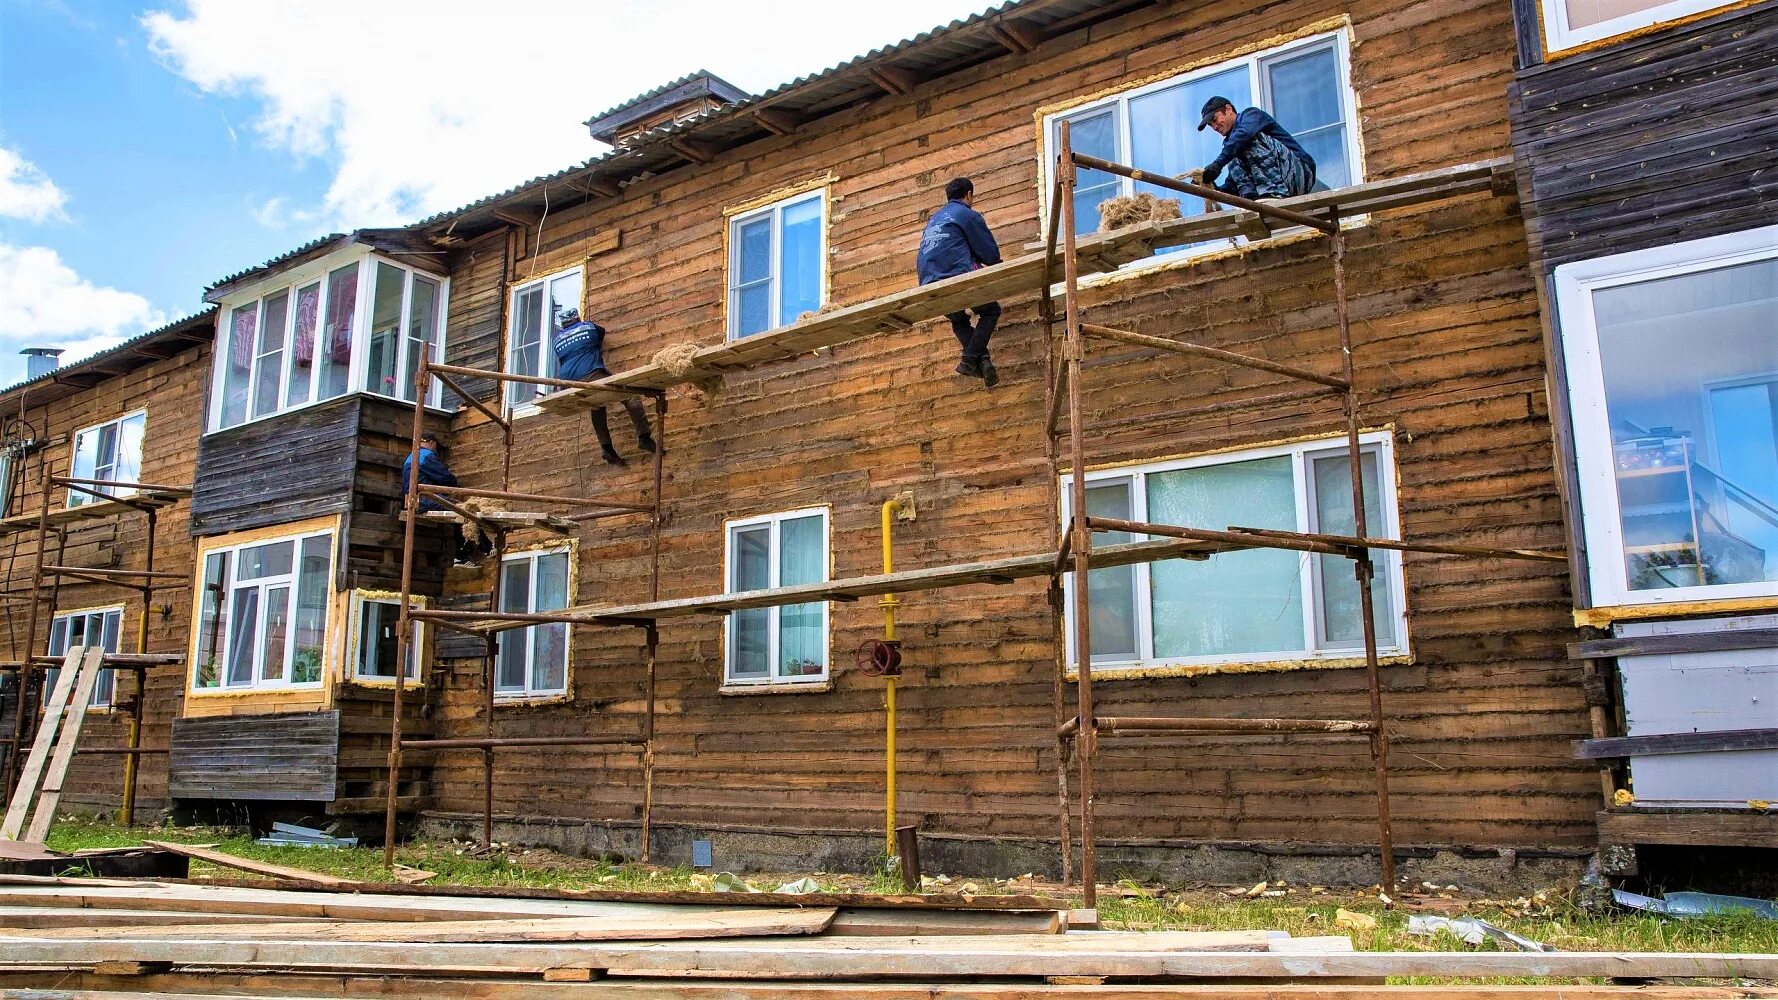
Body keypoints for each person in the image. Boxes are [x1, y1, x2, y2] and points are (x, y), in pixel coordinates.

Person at [916, 177, 1004, 388]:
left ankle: (982, 362)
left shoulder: (934, 220)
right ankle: (969, 359)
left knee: (958, 320)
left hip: (929, 281)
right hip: (958, 276)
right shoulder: (966, 214)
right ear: (969, 194)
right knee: (991, 310)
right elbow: (990, 255)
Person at [553, 308, 657, 465]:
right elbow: (601, 333)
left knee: (597, 406)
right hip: (590, 374)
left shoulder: (556, 340)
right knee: (631, 396)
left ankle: (607, 448)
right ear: (577, 318)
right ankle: (644, 437)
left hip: (567, 382)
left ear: (563, 323)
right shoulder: (588, 327)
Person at [1197, 97, 1316, 201]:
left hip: (1301, 175)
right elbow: (1234, 183)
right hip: (1282, 186)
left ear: (1228, 109)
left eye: (1214, 120)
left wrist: (1218, 164)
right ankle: (1251, 201)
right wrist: (1214, 189)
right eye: (1210, 125)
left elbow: (1244, 135)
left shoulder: (1251, 115)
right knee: (1232, 151)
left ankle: (1272, 192)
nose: (1214, 127)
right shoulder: (1231, 144)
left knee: (1240, 143)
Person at [402, 432, 488, 564]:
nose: (436, 451)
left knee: (456, 516)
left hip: (415, 499)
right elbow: (445, 477)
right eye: (436, 448)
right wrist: (454, 481)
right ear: (432, 443)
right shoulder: (426, 456)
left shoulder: (411, 457)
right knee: (463, 510)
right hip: (425, 499)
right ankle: (481, 550)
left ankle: (468, 554)